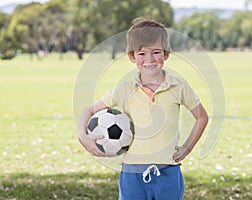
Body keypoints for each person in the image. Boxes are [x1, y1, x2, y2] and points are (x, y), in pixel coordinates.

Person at [77, 17, 209, 200]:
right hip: (131, 175)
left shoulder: (179, 86)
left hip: (168, 173)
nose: (150, 60)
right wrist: (83, 136)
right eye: (141, 54)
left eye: (156, 52)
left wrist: (187, 148)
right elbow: (88, 110)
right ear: (132, 56)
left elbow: (202, 117)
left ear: (167, 54)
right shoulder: (124, 88)